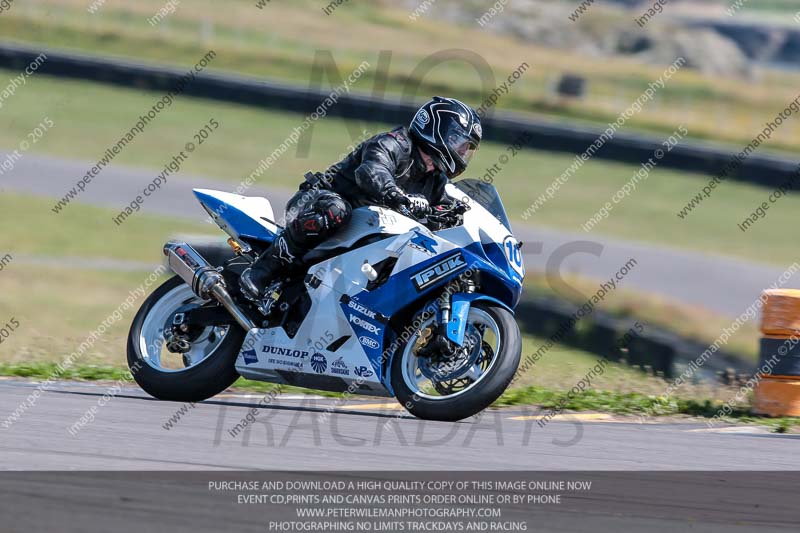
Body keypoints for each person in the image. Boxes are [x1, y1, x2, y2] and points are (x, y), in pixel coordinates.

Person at [239, 96, 483, 303]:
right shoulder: (394, 143)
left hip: (361, 233)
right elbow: (371, 171)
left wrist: (459, 219)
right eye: (459, 142)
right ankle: (263, 271)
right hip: (317, 204)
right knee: (336, 210)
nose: (463, 153)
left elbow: (443, 209)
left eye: (467, 148)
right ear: (438, 129)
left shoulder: (435, 180)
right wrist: (396, 195)